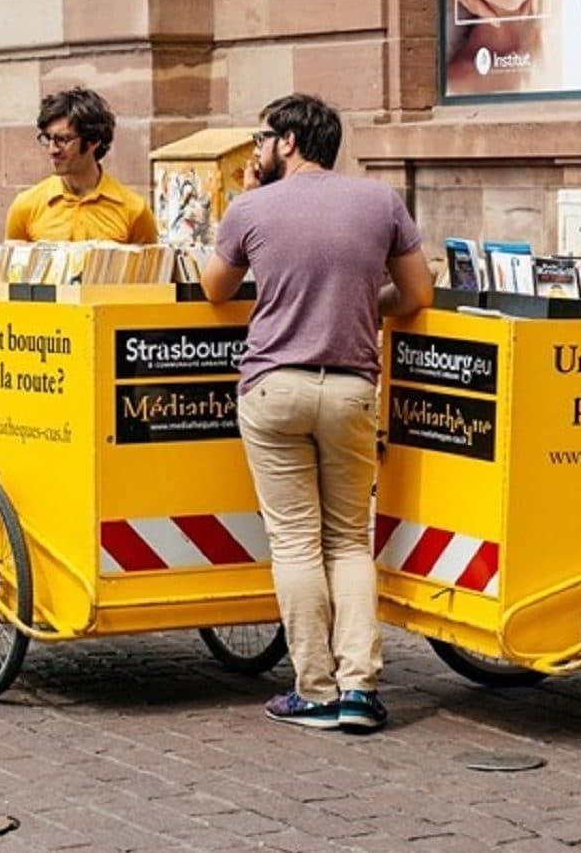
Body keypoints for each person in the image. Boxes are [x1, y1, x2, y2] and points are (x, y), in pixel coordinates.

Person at [201, 94, 434, 732]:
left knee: (297, 542)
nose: (254, 152)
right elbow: (417, 293)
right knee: (350, 541)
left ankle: (315, 689)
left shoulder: (251, 207)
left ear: (290, 141)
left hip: (275, 387)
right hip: (353, 387)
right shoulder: (380, 201)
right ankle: (360, 690)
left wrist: (243, 200)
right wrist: (360, 303)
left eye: (260, 140)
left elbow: (213, 287)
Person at [4, 87, 158, 244]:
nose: (52, 150)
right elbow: (12, 267)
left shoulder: (134, 209)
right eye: (47, 138)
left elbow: (150, 268)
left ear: (93, 141)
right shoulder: (25, 205)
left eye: (63, 139)